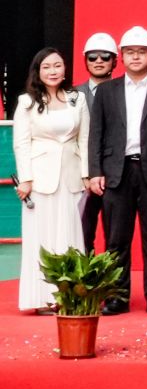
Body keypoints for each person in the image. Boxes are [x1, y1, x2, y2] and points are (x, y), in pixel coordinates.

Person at [87, 27, 147, 315]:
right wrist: (95, 171)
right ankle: (117, 297)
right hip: (116, 172)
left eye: (142, 52)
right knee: (116, 240)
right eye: (130, 52)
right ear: (122, 56)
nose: (136, 57)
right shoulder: (107, 90)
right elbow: (96, 134)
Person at [13, 48, 90, 313]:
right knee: (42, 238)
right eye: (46, 67)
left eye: (57, 65)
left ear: (65, 69)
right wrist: (26, 179)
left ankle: (71, 296)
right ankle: (43, 298)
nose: (53, 71)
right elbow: (21, 143)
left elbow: (85, 139)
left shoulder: (77, 99)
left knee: (70, 236)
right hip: (39, 181)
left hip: (71, 178)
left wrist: (86, 174)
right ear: (38, 71)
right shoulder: (26, 102)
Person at [77, 32, 118, 255]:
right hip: (80, 175)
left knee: (116, 234)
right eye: (93, 57)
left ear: (115, 61)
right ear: (86, 61)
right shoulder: (72, 94)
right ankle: (85, 274)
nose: (99, 61)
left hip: (115, 173)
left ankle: (113, 275)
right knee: (81, 231)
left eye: (105, 56)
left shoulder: (125, 92)